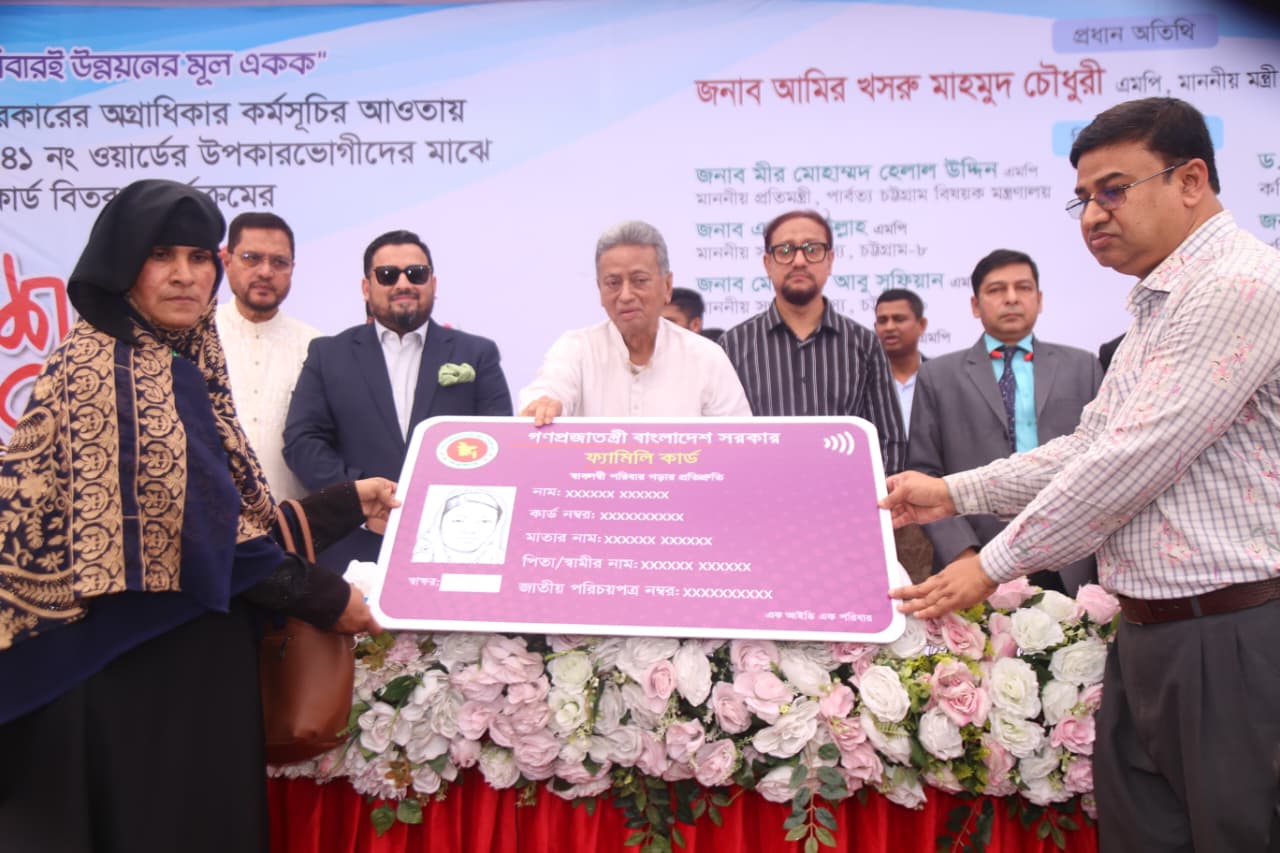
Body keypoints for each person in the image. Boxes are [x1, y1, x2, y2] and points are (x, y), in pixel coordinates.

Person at [884, 97, 1280, 851]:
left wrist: (990, 564)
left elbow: (1130, 462)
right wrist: (951, 492)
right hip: (1153, 630)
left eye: (1114, 190)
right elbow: (1089, 445)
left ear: (1190, 180)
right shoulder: (1161, 303)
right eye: (1083, 198)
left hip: (1228, 637)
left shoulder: (1238, 284)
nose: (1093, 215)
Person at [0, 180, 395, 853]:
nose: (184, 275)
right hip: (130, 673)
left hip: (163, 665)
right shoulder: (115, 368)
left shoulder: (168, 360)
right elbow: (212, 538)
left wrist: (342, 503)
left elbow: (214, 513)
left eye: (197, 256)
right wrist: (330, 600)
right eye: (160, 255)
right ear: (122, 266)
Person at [284, 229, 513, 567]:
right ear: (366, 287)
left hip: (452, 546)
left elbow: (499, 444)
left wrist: (441, 508)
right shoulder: (328, 354)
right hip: (353, 544)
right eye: (388, 274)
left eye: (416, 274)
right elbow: (302, 441)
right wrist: (358, 500)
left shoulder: (477, 354)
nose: (403, 283)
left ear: (433, 283)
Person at [907, 249, 1102, 593]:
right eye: (996, 290)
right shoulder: (938, 376)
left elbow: (1104, 458)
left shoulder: (1083, 366)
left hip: (1071, 554)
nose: (1011, 298)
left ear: (1039, 299)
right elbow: (925, 470)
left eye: (1023, 288)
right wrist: (962, 553)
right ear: (975, 305)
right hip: (977, 556)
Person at [719, 210, 905, 472]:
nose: (799, 261)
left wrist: (869, 494)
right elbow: (721, 440)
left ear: (830, 260)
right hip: (759, 492)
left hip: (845, 494)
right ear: (767, 263)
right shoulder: (732, 346)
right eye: (785, 250)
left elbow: (888, 440)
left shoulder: (864, 345)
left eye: (812, 249)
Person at [519, 220, 750, 424]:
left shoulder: (707, 357)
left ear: (667, 286)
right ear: (600, 290)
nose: (626, 295)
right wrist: (543, 405)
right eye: (613, 283)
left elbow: (738, 442)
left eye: (639, 280)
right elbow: (550, 388)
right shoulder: (576, 348)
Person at [217, 211, 320, 500]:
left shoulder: (316, 347)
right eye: (251, 258)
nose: (265, 272)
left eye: (279, 262)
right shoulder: (196, 337)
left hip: (290, 519)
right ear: (227, 261)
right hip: (209, 517)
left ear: (292, 269)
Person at [873, 288, 928, 429]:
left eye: (899, 319)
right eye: (882, 321)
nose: (889, 327)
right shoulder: (863, 381)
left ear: (922, 325)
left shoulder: (942, 378)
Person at [412, 490, 508, 564]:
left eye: (484, 521)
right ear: (439, 522)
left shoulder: (502, 561)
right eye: (458, 520)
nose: (471, 530)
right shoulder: (418, 558)